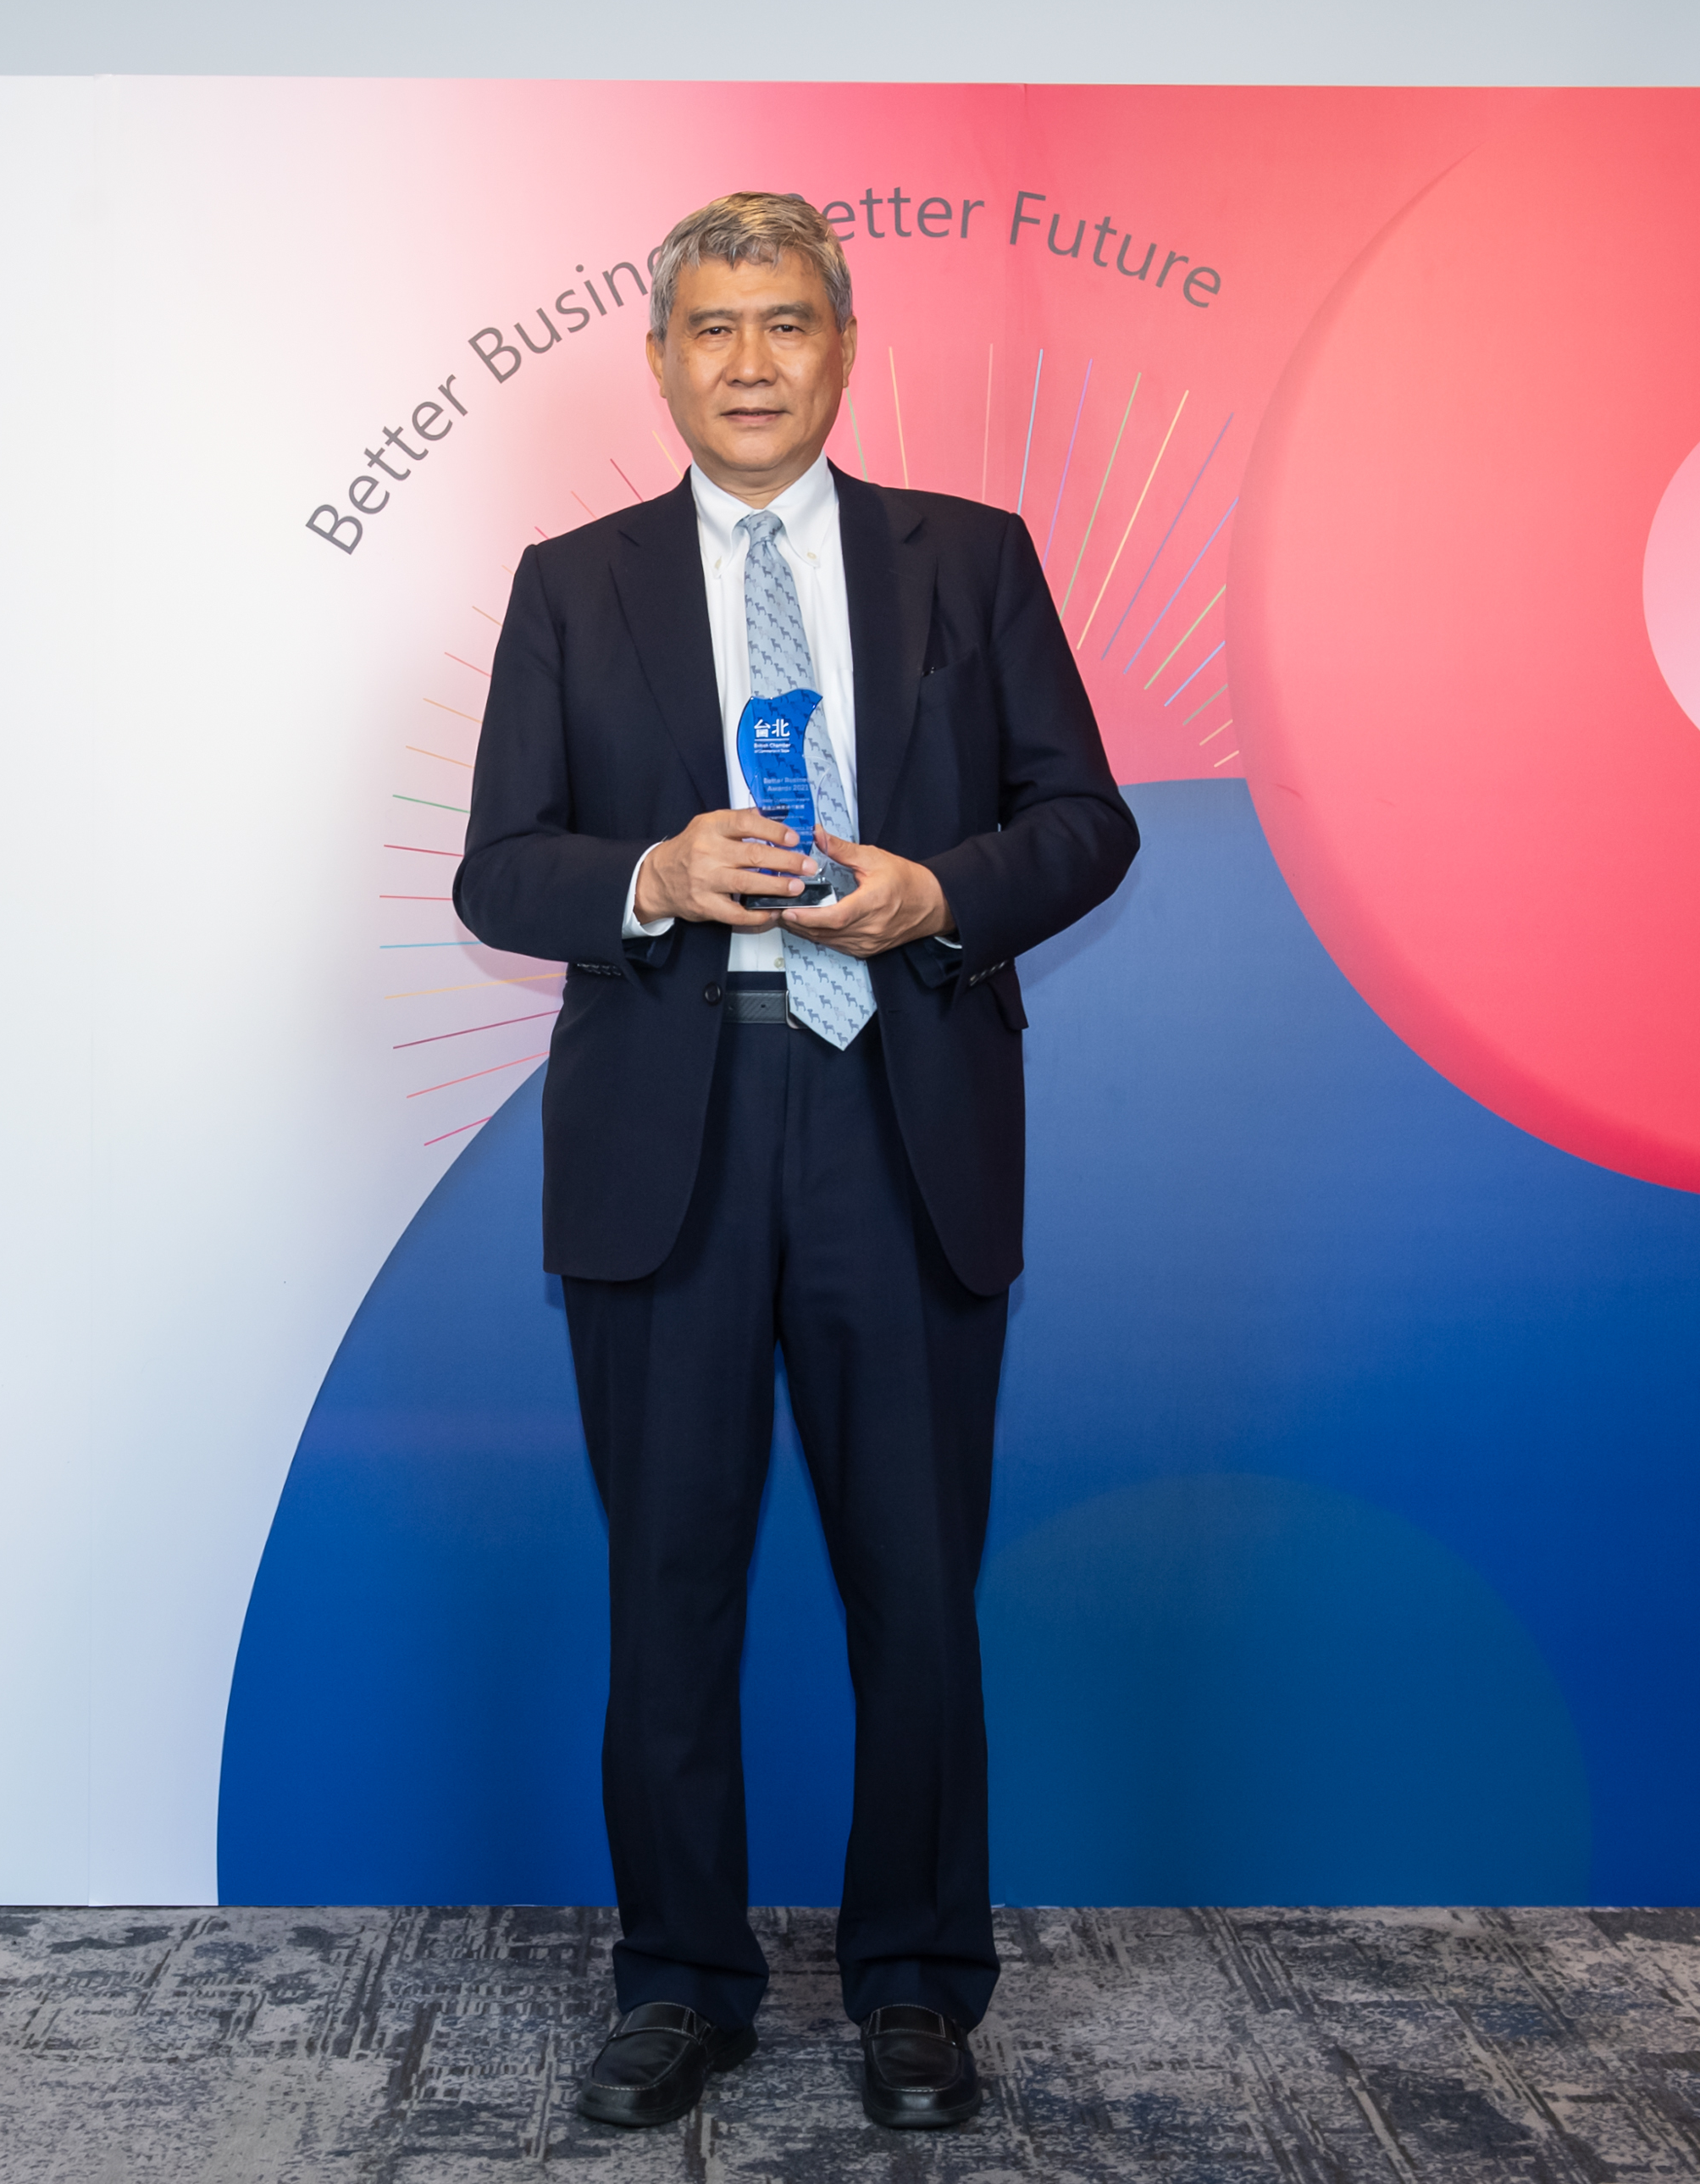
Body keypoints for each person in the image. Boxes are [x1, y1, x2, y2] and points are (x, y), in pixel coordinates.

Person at [453, 192, 1138, 2132]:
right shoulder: (570, 582)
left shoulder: (971, 560)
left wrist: (939, 893)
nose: (748, 361)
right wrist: (652, 874)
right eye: (711, 328)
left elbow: (1084, 819)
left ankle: (916, 1982)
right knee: (668, 1587)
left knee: (913, 1583)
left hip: (900, 1119)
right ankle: (680, 1979)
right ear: (659, 361)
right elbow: (498, 869)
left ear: (842, 346)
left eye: (785, 323)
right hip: (666, 1134)